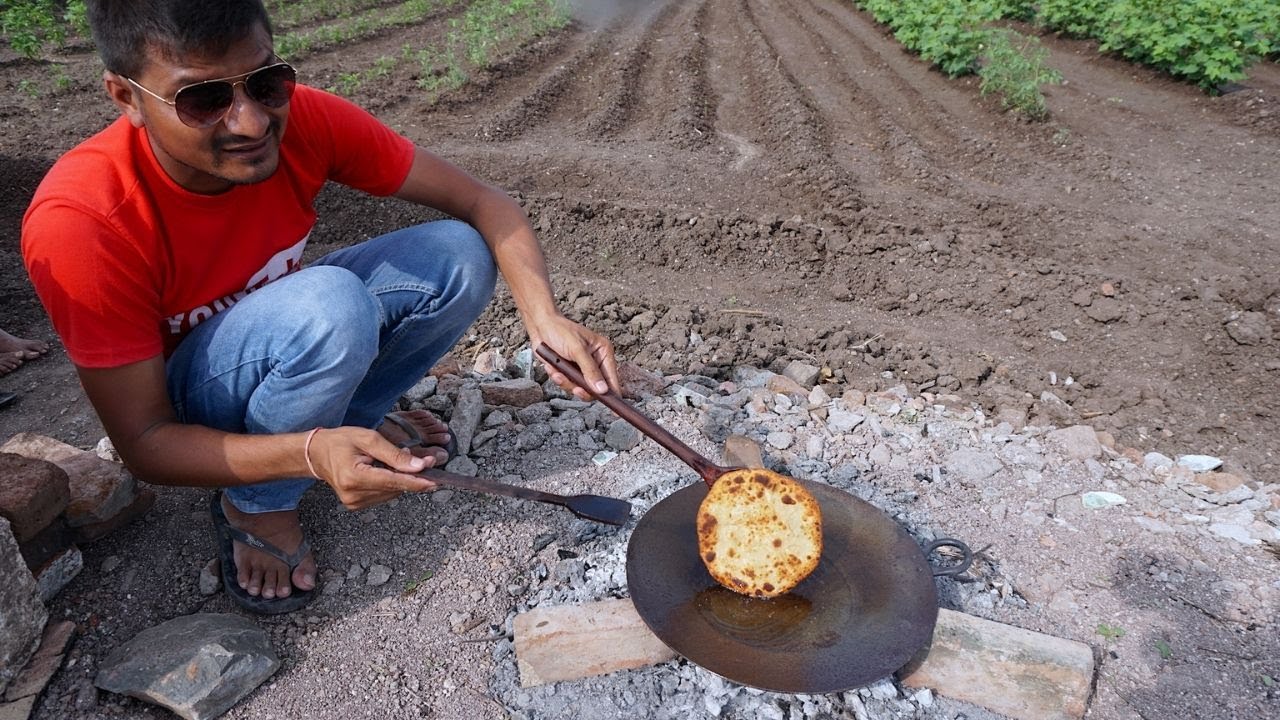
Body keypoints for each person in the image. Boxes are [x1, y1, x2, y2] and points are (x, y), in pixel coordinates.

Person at [21, 0, 620, 614]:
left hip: (286, 332)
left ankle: (351, 422)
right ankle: (259, 507)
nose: (252, 122)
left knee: (458, 255)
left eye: (265, 84)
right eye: (203, 100)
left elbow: (482, 200)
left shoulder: (306, 120)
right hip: (188, 401)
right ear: (126, 98)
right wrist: (307, 454)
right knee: (329, 305)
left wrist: (544, 319)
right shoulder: (85, 222)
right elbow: (145, 443)